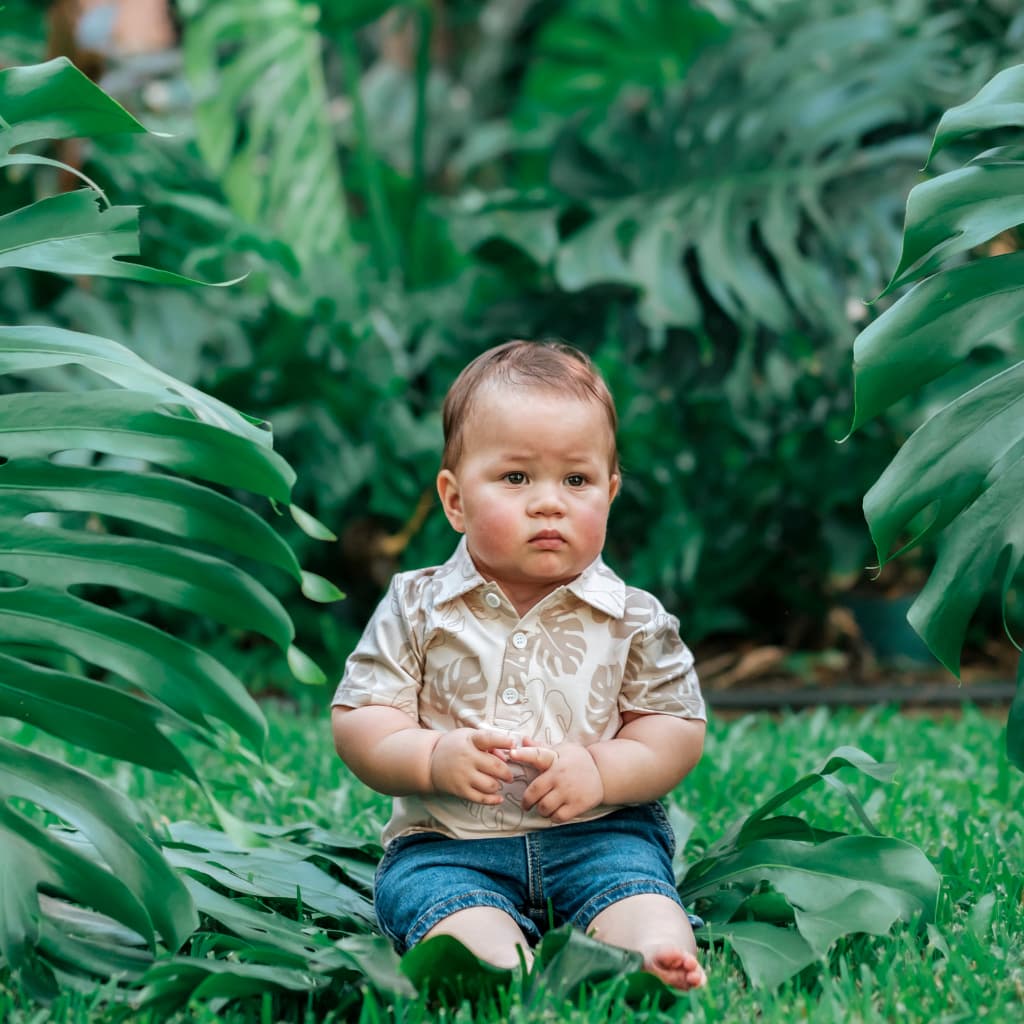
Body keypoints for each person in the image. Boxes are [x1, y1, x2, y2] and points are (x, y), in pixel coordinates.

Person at [331, 340, 707, 990]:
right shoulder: (417, 607)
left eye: (576, 480)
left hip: (599, 834)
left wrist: (600, 768)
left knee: (636, 889)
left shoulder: (633, 617)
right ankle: (492, 961)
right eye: (515, 478)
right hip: (448, 844)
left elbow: (674, 729)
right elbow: (362, 719)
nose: (548, 503)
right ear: (454, 500)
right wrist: (429, 757)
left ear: (610, 492)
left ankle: (651, 952)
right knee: (440, 904)